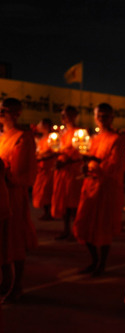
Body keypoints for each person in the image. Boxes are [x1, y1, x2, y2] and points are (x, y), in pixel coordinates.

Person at [73, 103, 125, 277]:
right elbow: (89, 160)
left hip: (107, 188)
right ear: (95, 117)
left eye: (105, 116)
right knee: (83, 224)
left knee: (102, 228)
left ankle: (101, 264)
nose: (102, 119)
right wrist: (86, 165)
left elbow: (114, 165)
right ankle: (94, 260)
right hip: (90, 185)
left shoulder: (118, 139)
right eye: (99, 116)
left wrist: (93, 161)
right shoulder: (94, 138)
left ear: (112, 117)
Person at [0, 98, 37, 303]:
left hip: (13, 196)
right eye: (0, 110)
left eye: (6, 111)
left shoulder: (23, 137)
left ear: (17, 113)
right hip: (0, 193)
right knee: (1, 241)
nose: (2, 114)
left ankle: (17, 284)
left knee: (14, 239)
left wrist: (3, 171)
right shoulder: (3, 136)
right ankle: (5, 281)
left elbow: (21, 173)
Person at [51, 106, 84, 240]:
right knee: (63, 202)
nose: (63, 118)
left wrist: (68, 161)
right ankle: (66, 230)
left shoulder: (79, 132)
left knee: (73, 203)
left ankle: (76, 231)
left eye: (67, 115)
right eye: (62, 115)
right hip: (62, 171)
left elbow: (82, 152)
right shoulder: (61, 132)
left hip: (73, 171)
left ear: (75, 116)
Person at [32, 118, 57, 221]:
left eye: (40, 124)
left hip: (49, 168)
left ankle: (49, 212)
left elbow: (55, 152)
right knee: (40, 191)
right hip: (41, 169)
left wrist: (43, 157)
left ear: (46, 125)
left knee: (47, 191)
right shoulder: (42, 138)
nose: (38, 126)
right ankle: (46, 211)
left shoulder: (52, 138)